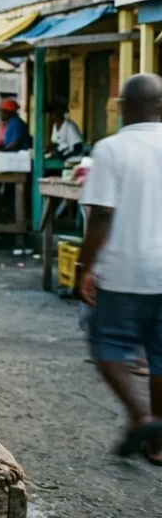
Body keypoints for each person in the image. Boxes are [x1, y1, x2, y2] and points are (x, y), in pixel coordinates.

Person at [77, 73, 162, 463]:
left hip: (124, 269)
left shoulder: (111, 148)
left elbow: (100, 217)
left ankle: (140, 414)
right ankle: (157, 443)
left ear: (125, 107)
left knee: (107, 344)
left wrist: (84, 267)